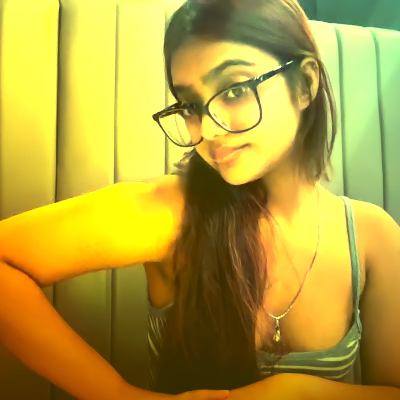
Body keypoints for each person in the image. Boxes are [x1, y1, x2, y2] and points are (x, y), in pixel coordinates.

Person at [0, 0, 399, 399]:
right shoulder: (173, 212)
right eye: (191, 105)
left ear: (306, 84)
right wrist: (119, 393)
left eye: (235, 90)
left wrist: (298, 393)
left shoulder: (372, 237)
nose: (208, 130)